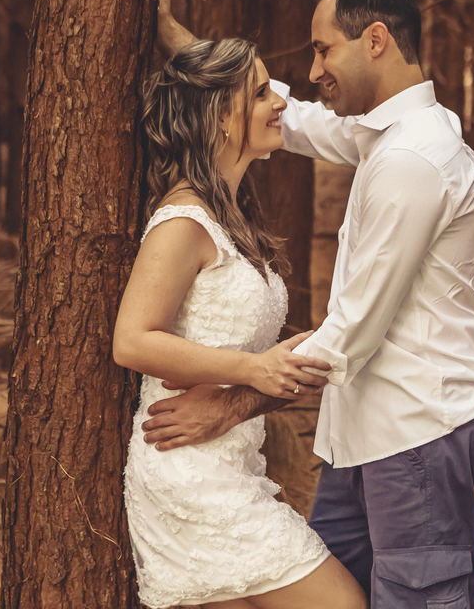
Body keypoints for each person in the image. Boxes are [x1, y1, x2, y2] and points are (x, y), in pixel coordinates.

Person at [147, 0, 474, 608]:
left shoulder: (412, 159)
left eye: (322, 49)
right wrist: (171, 35)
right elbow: (273, 115)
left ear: (376, 40)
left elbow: (353, 332)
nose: (312, 70)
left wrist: (229, 405)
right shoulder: (384, 135)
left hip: (415, 431)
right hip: (364, 433)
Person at [112, 36, 366, 609]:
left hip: (230, 463)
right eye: (259, 92)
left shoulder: (230, 213)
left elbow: (264, 358)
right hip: (187, 473)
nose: (280, 99)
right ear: (219, 119)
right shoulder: (182, 219)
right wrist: (253, 367)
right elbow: (131, 340)